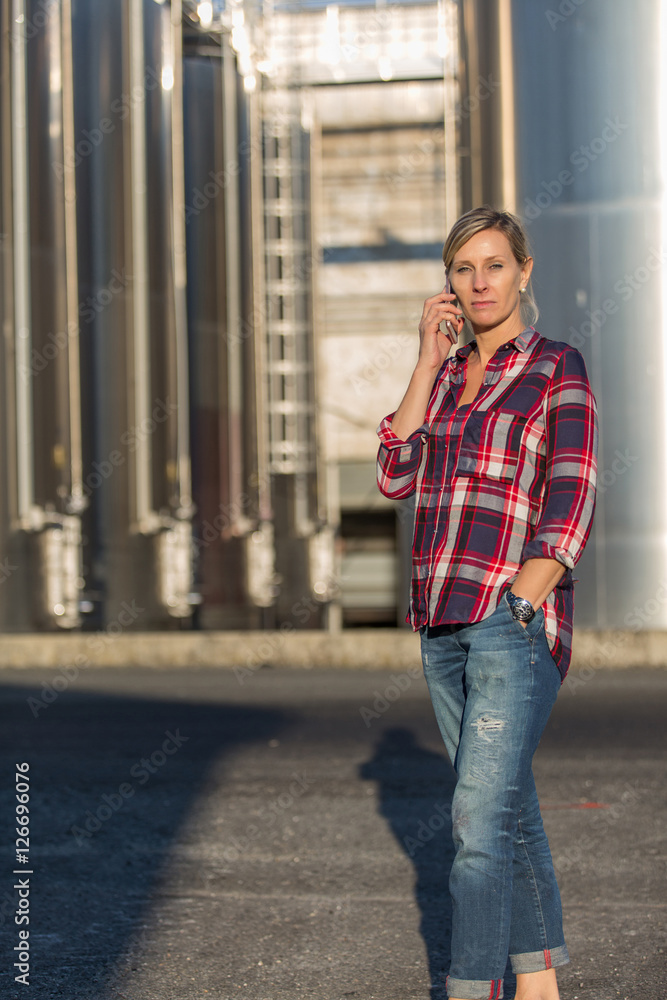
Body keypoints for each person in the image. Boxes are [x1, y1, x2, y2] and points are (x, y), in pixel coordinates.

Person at [376, 206, 598, 1000]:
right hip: (438, 620)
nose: (479, 282)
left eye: (494, 264)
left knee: (473, 827)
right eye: (464, 268)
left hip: (508, 621)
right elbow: (394, 474)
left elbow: (573, 484)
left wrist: (527, 591)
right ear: (449, 282)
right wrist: (423, 358)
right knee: (507, 807)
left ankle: (472, 988)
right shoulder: (440, 377)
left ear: (523, 272)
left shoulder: (554, 365)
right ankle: (539, 986)